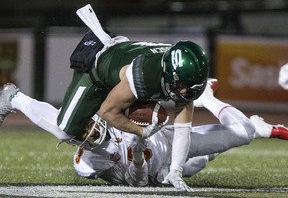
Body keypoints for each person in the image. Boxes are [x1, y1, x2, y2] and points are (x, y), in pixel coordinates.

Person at [0, 4, 209, 191]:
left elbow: (183, 129)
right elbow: (107, 111)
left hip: (121, 69)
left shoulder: (180, 77)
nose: (185, 93)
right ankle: (12, 98)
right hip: (96, 72)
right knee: (65, 131)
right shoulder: (144, 75)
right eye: (182, 86)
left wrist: (176, 170)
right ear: (170, 72)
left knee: (137, 119)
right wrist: (140, 131)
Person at [1, 78, 288, 189]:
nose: (90, 132)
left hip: (167, 139)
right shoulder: (92, 162)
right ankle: (243, 119)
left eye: (87, 128)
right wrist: (138, 153)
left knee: (243, 133)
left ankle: (209, 98)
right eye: (86, 135)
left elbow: (54, 117)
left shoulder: (102, 115)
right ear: (84, 145)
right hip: (158, 172)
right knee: (217, 149)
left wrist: (18, 100)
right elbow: (138, 184)